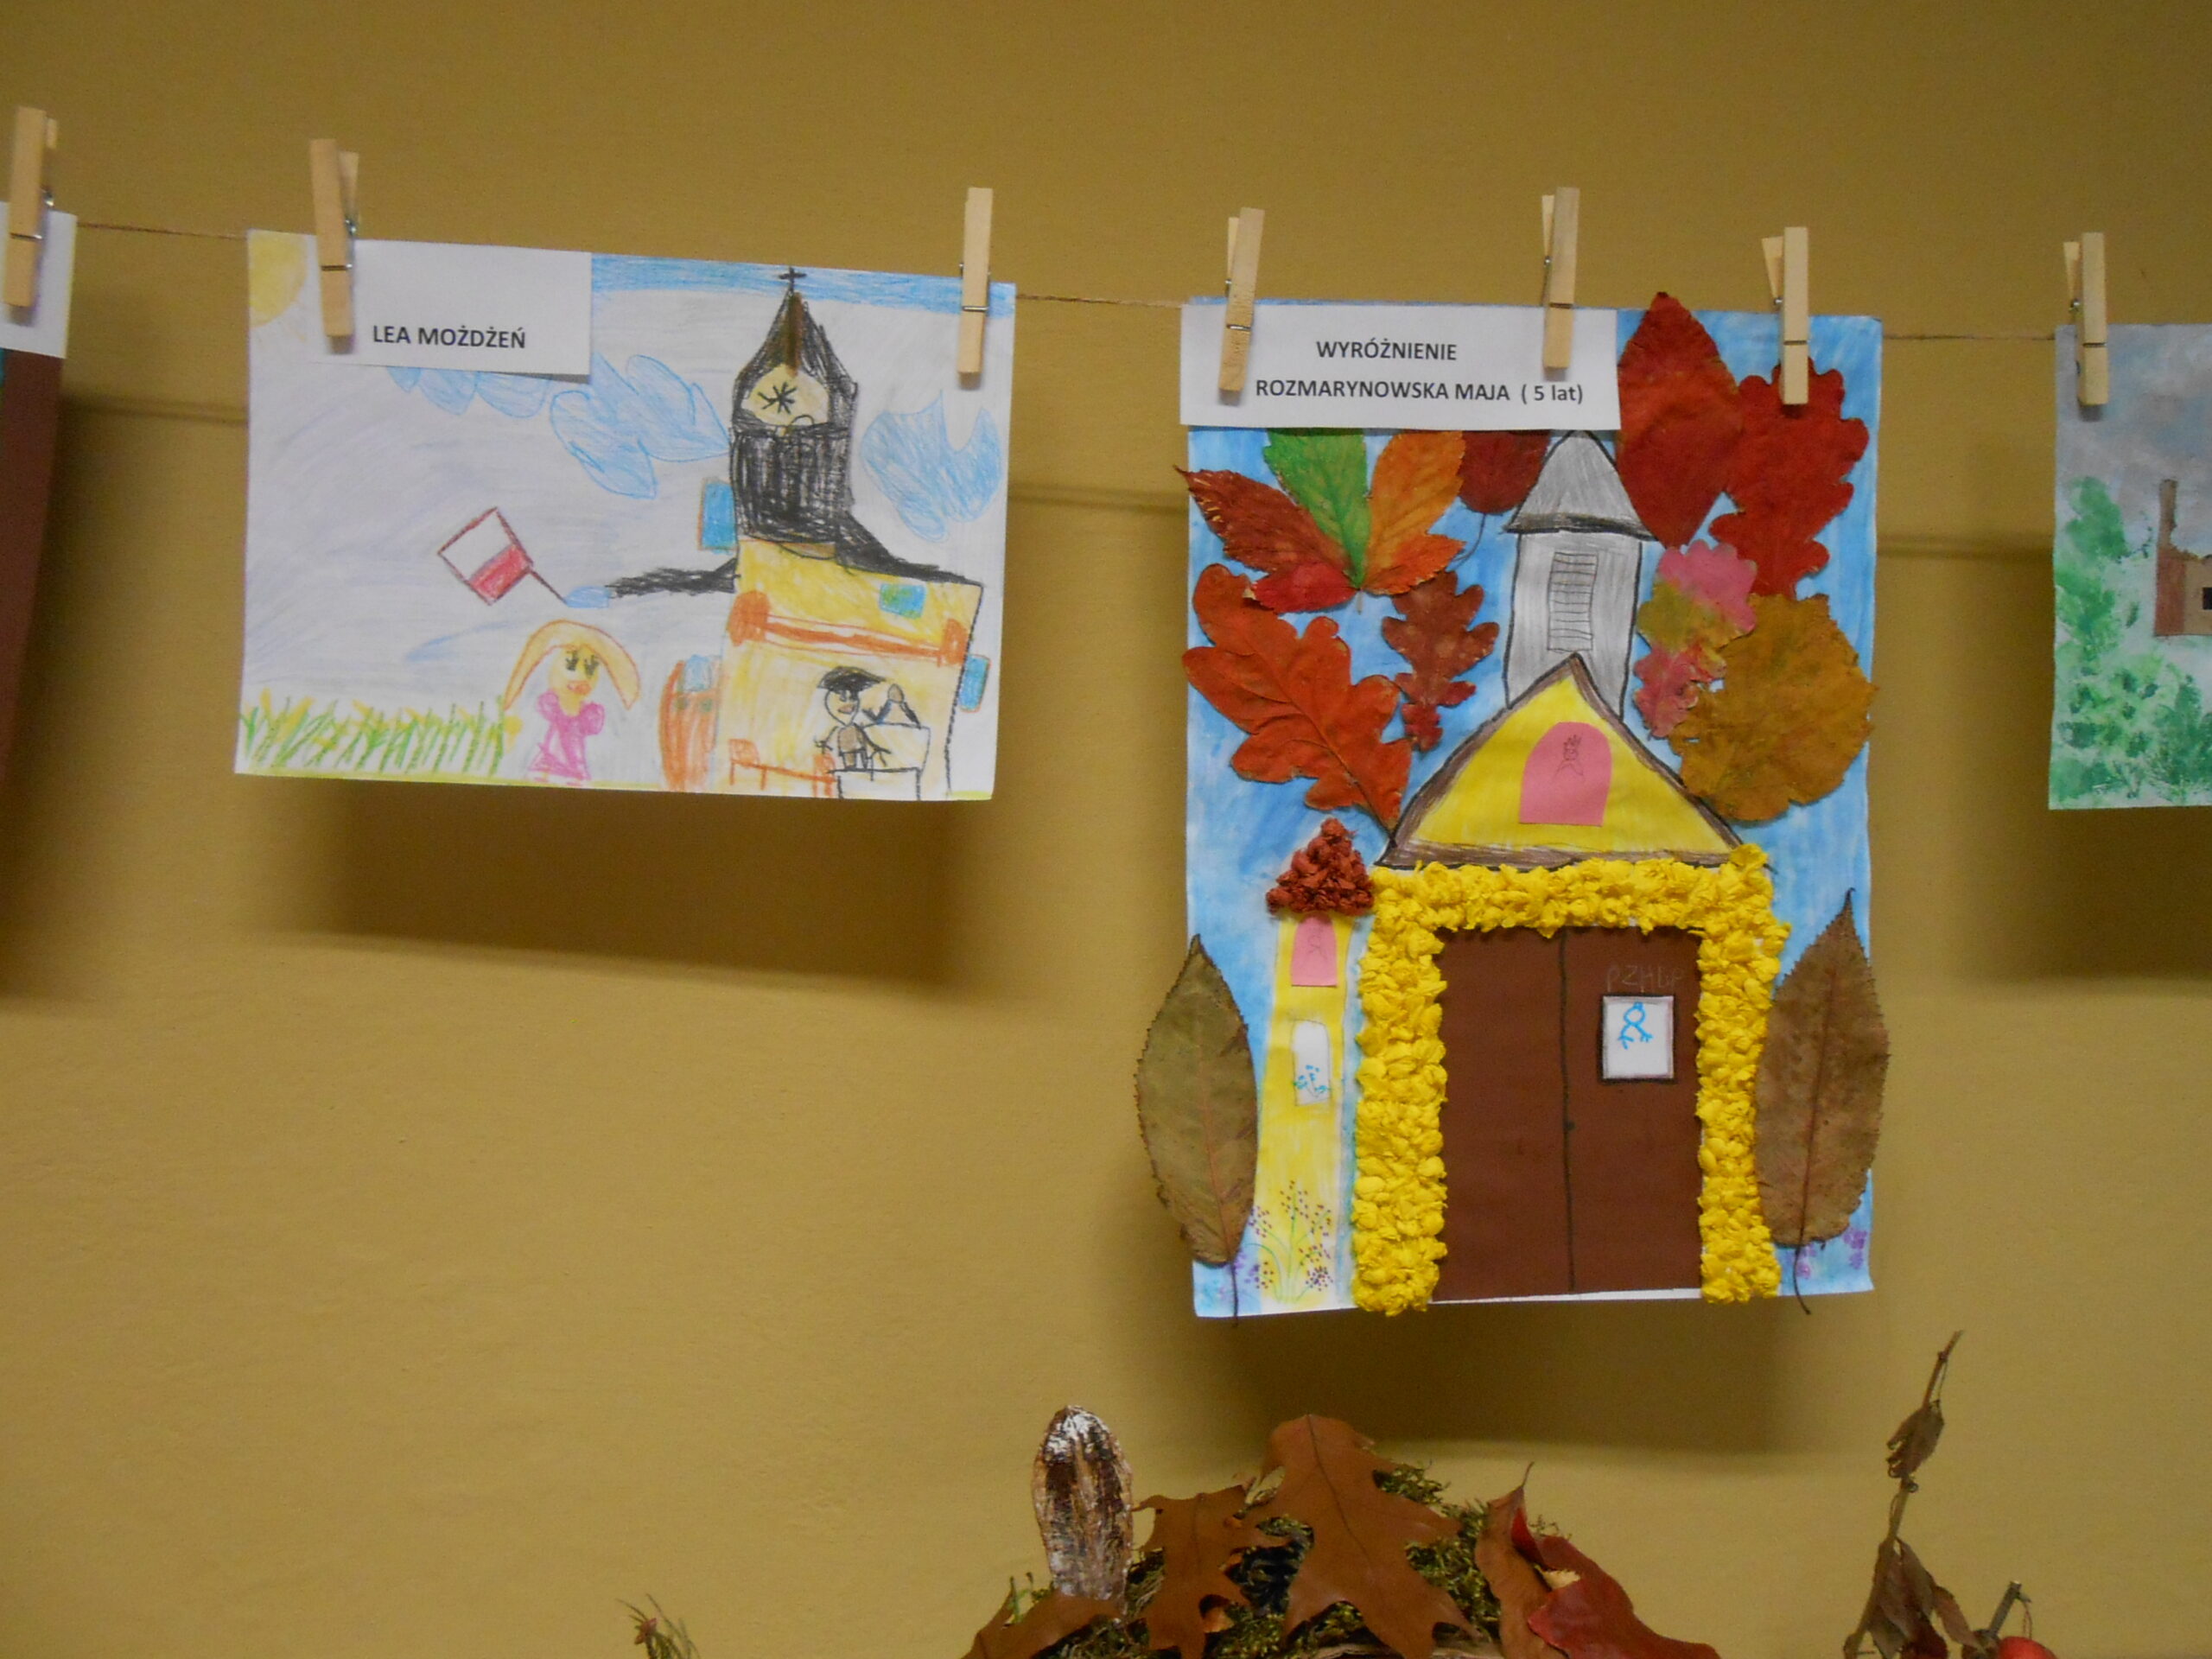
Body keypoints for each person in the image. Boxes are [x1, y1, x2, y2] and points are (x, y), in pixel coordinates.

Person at [500, 620, 642, 785]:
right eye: (571, 666)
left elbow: (596, 731)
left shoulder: (590, 713)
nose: (582, 676)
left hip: (576, 761)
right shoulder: (550, 705)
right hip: (551, 758)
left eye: (590, 669)